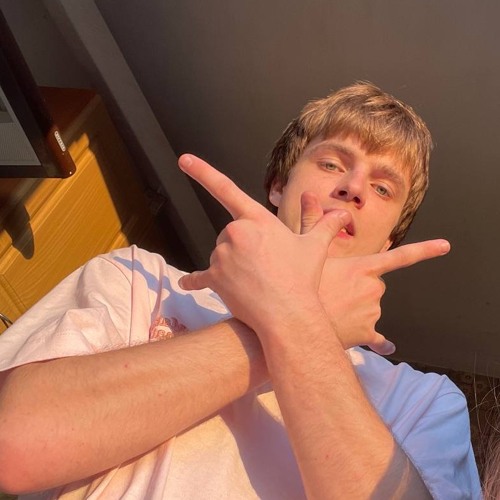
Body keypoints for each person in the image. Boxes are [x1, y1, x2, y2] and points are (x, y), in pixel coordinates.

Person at [0, 82, 480, 498]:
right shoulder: (137, 280)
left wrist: (294, 321)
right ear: (277, 185)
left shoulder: (427, 402)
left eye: (382, 189)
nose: (354, 186)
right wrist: (300, 319)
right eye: (332, 163)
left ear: (391, 238)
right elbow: (15, 442)